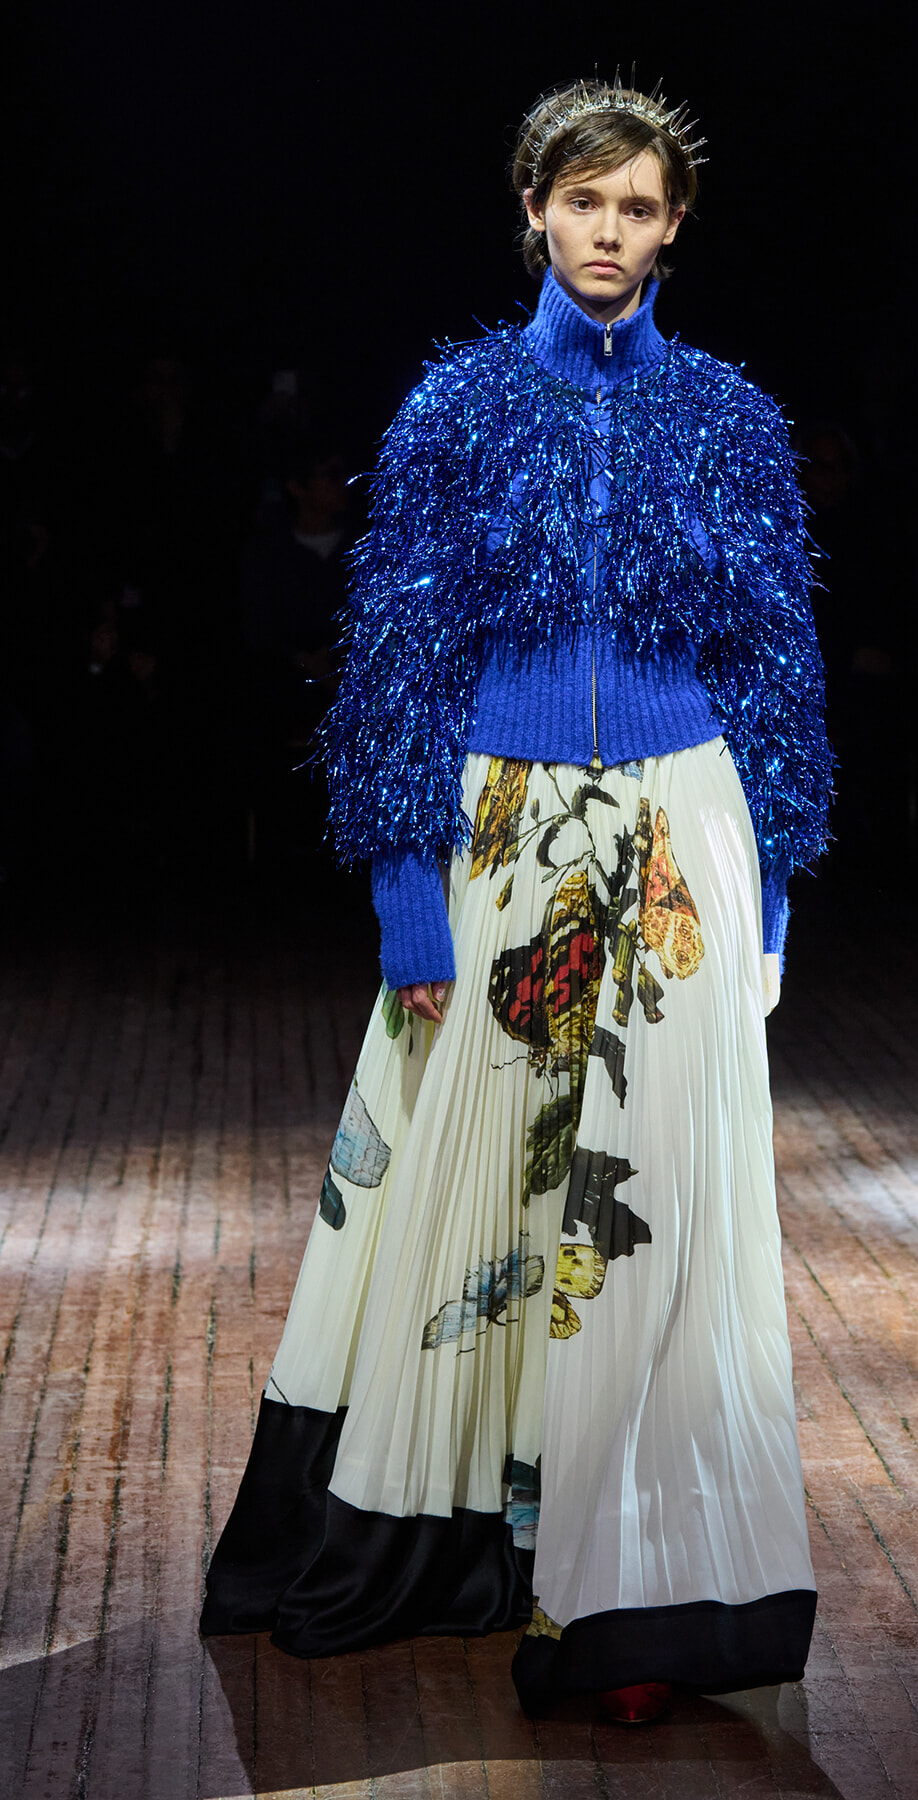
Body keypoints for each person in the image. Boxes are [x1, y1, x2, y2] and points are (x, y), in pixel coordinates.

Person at [200, 77, 832, 1722]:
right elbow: (394, 680)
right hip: (503, 835)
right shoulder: (460, 412)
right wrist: (409, 903)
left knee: (662, 1212)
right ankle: (455, 1533)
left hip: (689, 833)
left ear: (675, 225)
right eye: (585, 202)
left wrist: (772, 897)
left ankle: (633, 1588)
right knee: (465, 1190)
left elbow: (777, 668)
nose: (610, 233)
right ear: (533, 209)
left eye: (639, 208)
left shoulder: (732, 425)